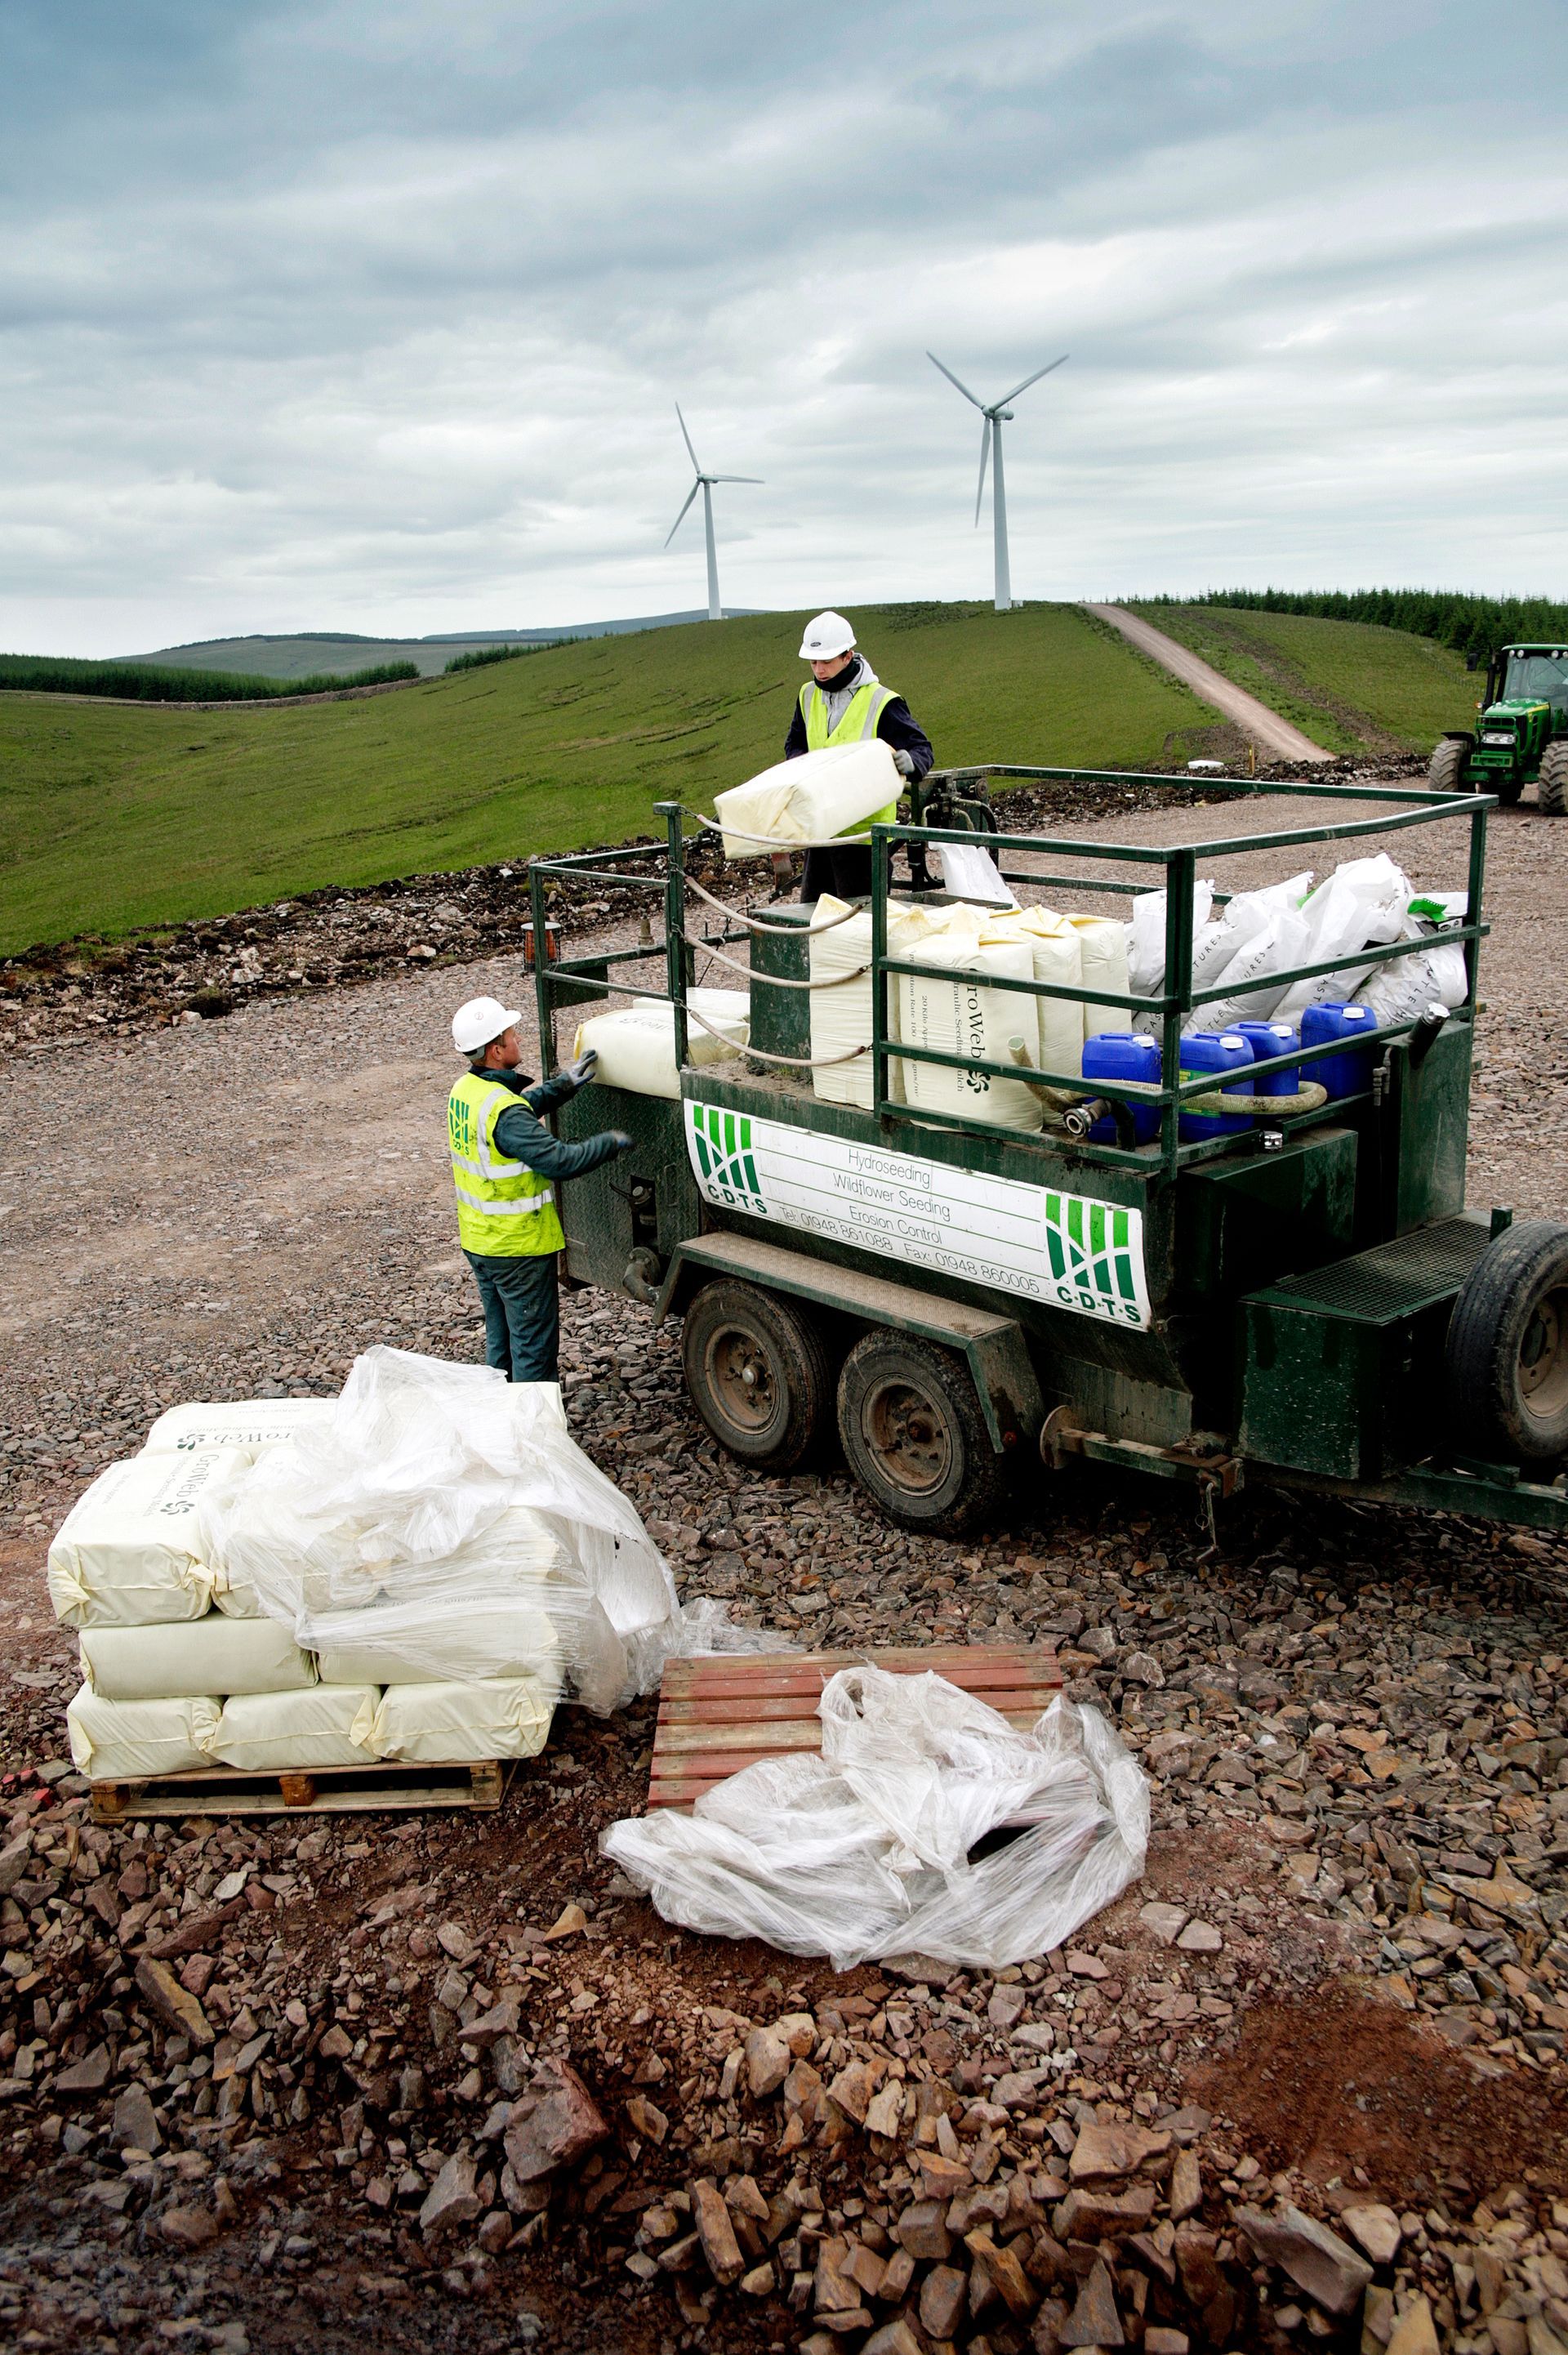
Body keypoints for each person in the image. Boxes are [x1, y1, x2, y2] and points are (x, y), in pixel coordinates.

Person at [447, 994, 632, 1385]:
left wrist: (562, 1087)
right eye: (513, 1035)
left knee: (502, 1346)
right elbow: (558, 1161)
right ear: (497, 1050)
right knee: (533, 1350)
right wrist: (609, 1143)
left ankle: (500, 1425)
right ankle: (535, 1438)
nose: (519, 1040)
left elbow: (515, 1108)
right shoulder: (505, 1112)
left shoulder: (465, 1090)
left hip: (482, 1243)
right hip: (518, 1249)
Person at [784, 610, 934, 901]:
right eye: (813, 662)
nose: (819, 670)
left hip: (865, 838)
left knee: (862, 927)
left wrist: (910, 762)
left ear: (848, 656)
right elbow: (795, 742)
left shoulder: (882, 701)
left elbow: (922, 748)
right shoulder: (806, 695)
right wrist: (799, 765)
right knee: (814, 919)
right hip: (821, 829)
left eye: (826, 661)